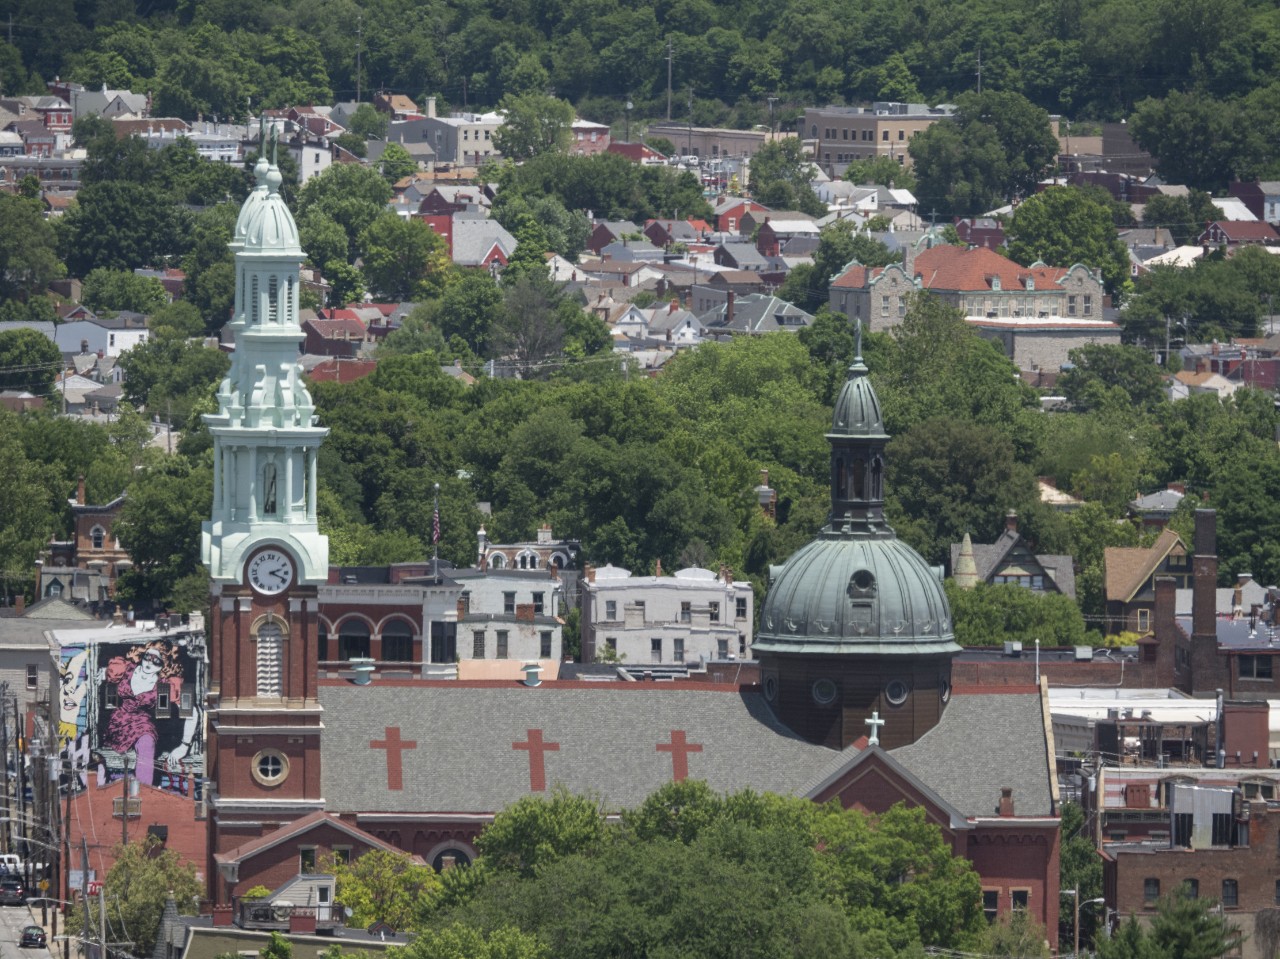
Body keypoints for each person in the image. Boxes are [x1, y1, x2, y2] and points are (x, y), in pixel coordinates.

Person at [100, 642, 183, 786]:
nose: (150, 663)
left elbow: (189, 707)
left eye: (156, 661)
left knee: (147, 743)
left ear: (163, 664)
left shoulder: (163, 684)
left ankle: (143, 790)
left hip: (142, 722)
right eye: (147, 657)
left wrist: (185, 745)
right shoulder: (126, 669)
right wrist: (102, 673)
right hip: (119, 719)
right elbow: (108, 673)